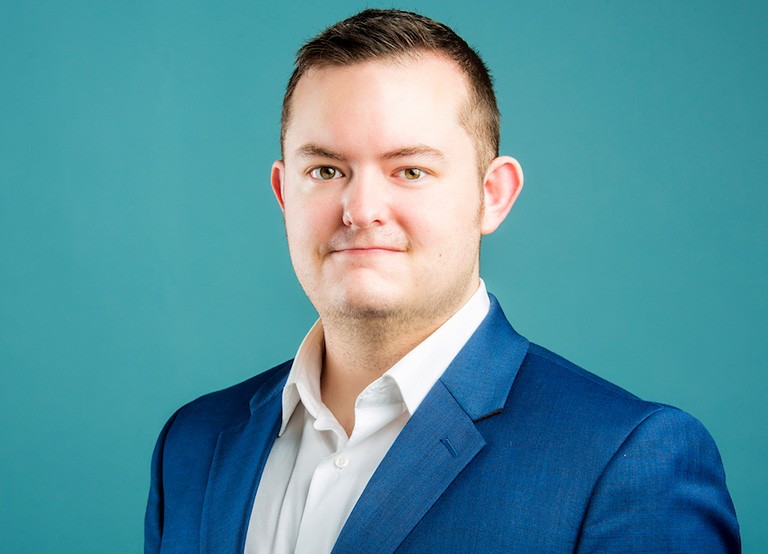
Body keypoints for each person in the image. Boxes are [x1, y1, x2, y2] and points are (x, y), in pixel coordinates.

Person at [145, 9, 740, 553]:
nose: (360, 209)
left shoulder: (626, 462)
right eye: (326, 169)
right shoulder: (193, 443)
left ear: (492, 195)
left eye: (410, 170)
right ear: (283, 193)